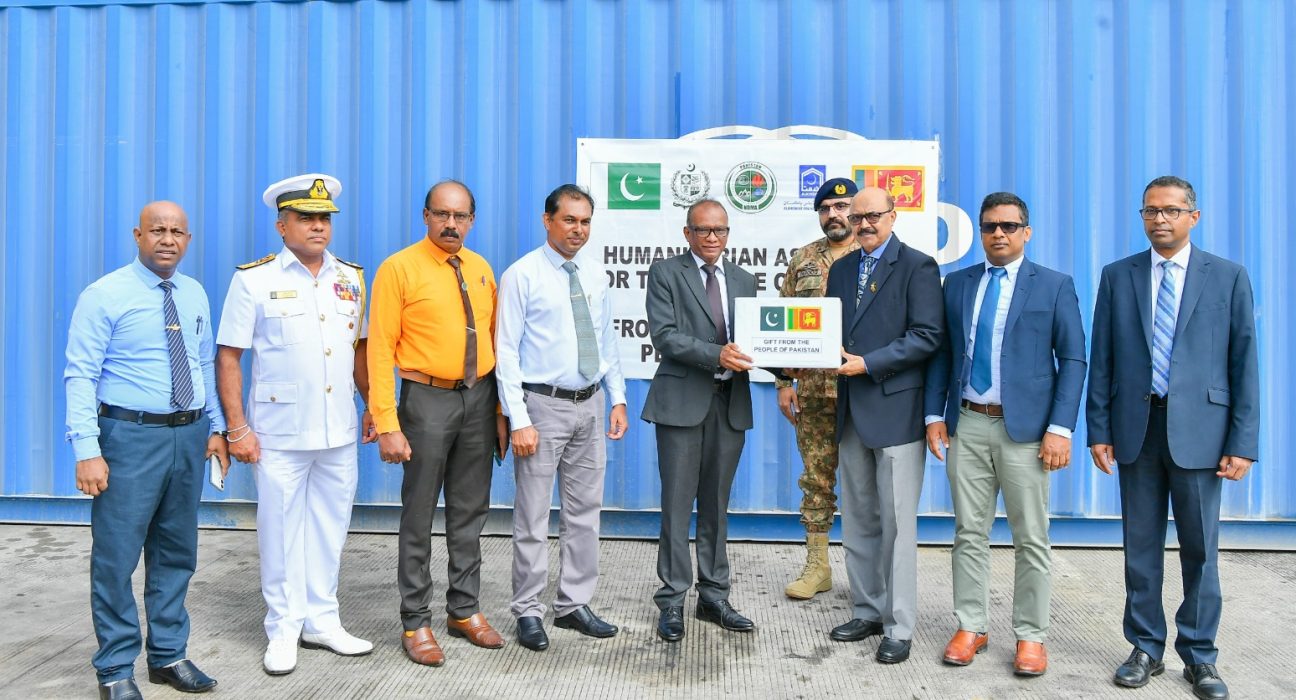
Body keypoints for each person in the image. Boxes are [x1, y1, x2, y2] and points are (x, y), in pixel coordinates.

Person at [1087, 176, 1258, 700]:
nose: (1159, 219)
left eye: (1170, 210)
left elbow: (1244, 360)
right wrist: (1099, 429)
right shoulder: (1119, 276)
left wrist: (1242, 441)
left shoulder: (1226, 276)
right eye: (1150, 211)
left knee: (1200, 549)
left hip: (1202, 433)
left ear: (1193, 217)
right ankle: (1145, 647)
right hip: (1136, 430)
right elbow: (1103, 358)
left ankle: (1200, 655)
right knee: (1140, 547)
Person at [64, 201, 229, 700]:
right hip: (129, 439)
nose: (167, 239)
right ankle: (116, 668)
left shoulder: (194, 293)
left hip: (189, 435)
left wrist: (216, 427)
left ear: (188, 239)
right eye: (157, 230)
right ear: (138, 235)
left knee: (176, 551)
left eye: (177, 232)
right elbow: (80, 374)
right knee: (116, 557)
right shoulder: (104, 295)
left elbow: (202, 364)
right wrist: (87, 449)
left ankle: (168, 655)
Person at [216, 174, 375, 675]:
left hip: (337, 429)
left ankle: (322, 621)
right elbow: (228, 356)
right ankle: (283, 629)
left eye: (324, 218)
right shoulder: (254, 280)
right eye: (306, 218)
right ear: (282, 225)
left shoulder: (351, 278)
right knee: (281, 533)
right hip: (279, 432)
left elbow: (360, 349)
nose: (318, 226)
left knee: (330, 529)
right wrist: (237, 427)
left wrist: (373, 405)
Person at [923, 192, 1087, 676]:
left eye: (1009, 226)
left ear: (1026, 232)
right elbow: (943, 353)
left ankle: (1031, 635)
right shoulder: (958, 283)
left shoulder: (1054, 286)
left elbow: (1073, 359)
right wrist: (934, 414)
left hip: (1027, 432)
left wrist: (1060, 428)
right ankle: (971, 625)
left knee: (1031, 537)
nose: (999, 233)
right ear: (981, 231)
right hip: (968, 422)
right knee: (968, 532)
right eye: (990, 226)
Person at [367, 180, 510, 666]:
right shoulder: (399, 268)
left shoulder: (481, 268)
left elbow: (493, 341)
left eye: (460, 216)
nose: (451, 224)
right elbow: (380, 349)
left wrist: (498, 413)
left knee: (470, 511)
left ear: (472, 220)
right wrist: (387, 421)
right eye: (442, 214)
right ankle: (415, 620)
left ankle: (464, 610)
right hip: (426, 399)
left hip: (479, 397)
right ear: (426, 215)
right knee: (419, 512)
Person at [494, 184, 628, 652]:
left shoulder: (594, 273)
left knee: (585, 513)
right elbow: (506, 352)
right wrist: (518, 418)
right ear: (547, 220)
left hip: (590, 404)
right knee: (532, 516)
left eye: (585, 221)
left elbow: (606, 340)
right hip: (541, 407)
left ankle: (573, 604)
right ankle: (528, 610)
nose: (578, 229)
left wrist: (617, 397)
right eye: (569, 220)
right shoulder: (522, 275)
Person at [826, 186, 943, 664]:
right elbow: (828, 333)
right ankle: (867, 610)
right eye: (857, 217)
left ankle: (898, 625)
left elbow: (928, 336)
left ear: (893, 216)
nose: (864, 224)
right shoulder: (841, 269)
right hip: (851, 411)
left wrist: (869, 363)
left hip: (896, 412)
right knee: (858, 519)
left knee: (897, 525)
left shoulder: (918, 266)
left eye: (873, 215)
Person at [642, 199, 757, 642]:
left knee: (716, 506)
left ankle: (713, 596)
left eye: (720, 230)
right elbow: (665, 336)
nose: (712, 237)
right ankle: (672, 598)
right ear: (687, 233)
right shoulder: (666, 273)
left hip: (730, 404)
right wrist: (716, 354)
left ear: (728, 234)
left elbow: (756, 340)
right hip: (681, 403)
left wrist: (790, 360)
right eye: (703, 229)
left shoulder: (745, 279)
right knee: (676, 505)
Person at [777, 176, 860, 600]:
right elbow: (782, 322)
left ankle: (868, 573)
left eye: (842, 207)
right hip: (813, 390)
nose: (834, 214)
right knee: (816, 479)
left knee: (866, 482)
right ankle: (817, 566)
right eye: (826, 209)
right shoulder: (803, 260)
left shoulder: (873, 255)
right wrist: (783, 380)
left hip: (862, 391)